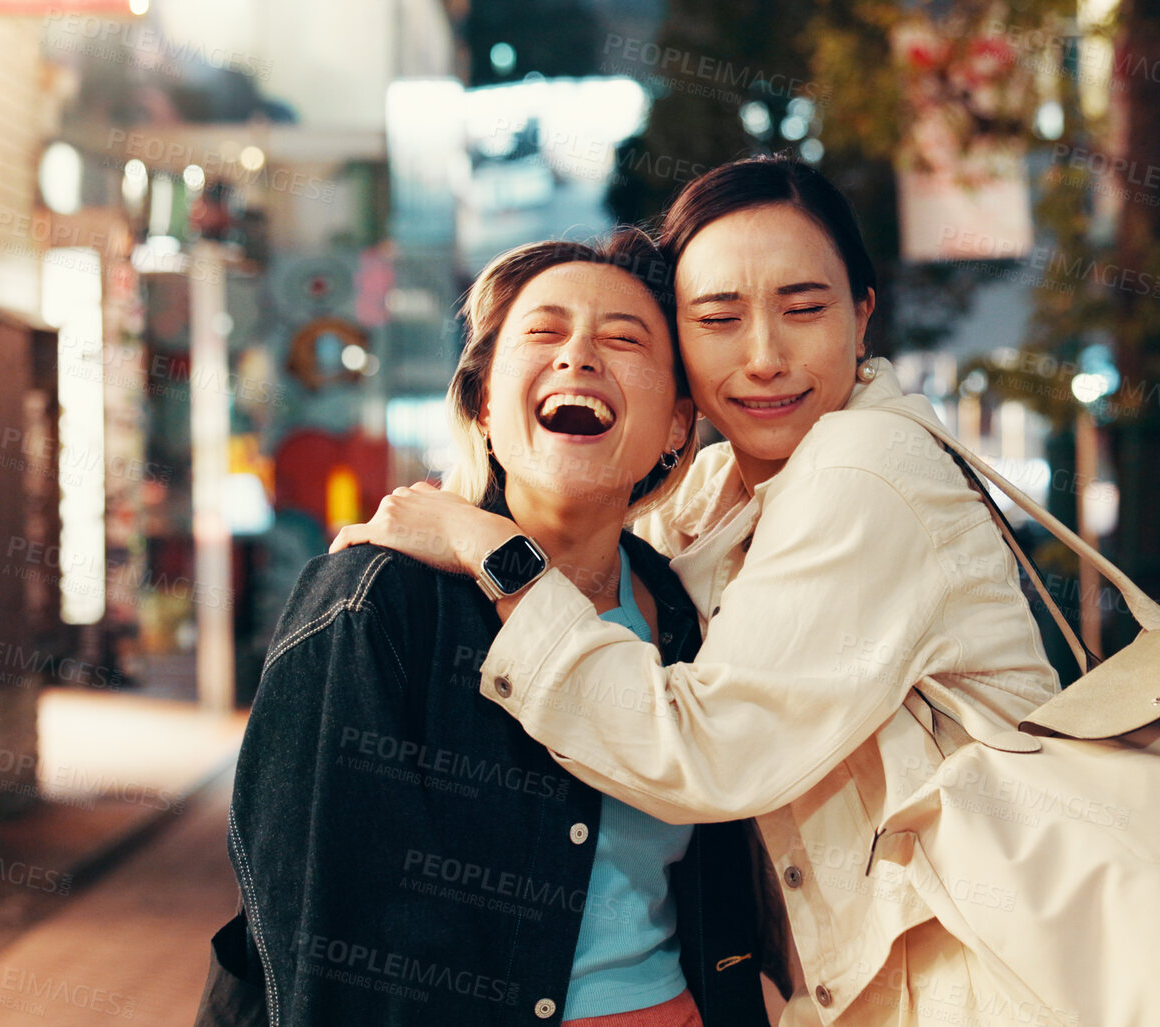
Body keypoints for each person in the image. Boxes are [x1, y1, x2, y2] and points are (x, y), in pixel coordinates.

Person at [334, 157, 1064, 1026]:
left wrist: (482, 541)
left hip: (988, 985)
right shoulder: (714, 496)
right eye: (717, 318)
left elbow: (707, 751)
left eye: (804, 308)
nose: (763, 357)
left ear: (862, 314)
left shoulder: (867, 468)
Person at [196, 231, 773, 1027]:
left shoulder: (683, 612)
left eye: (622, 337)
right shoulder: (375, 602)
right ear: (483, 406)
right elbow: (319, 936)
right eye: (543, 331)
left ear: (677, 425)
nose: (578, 356)